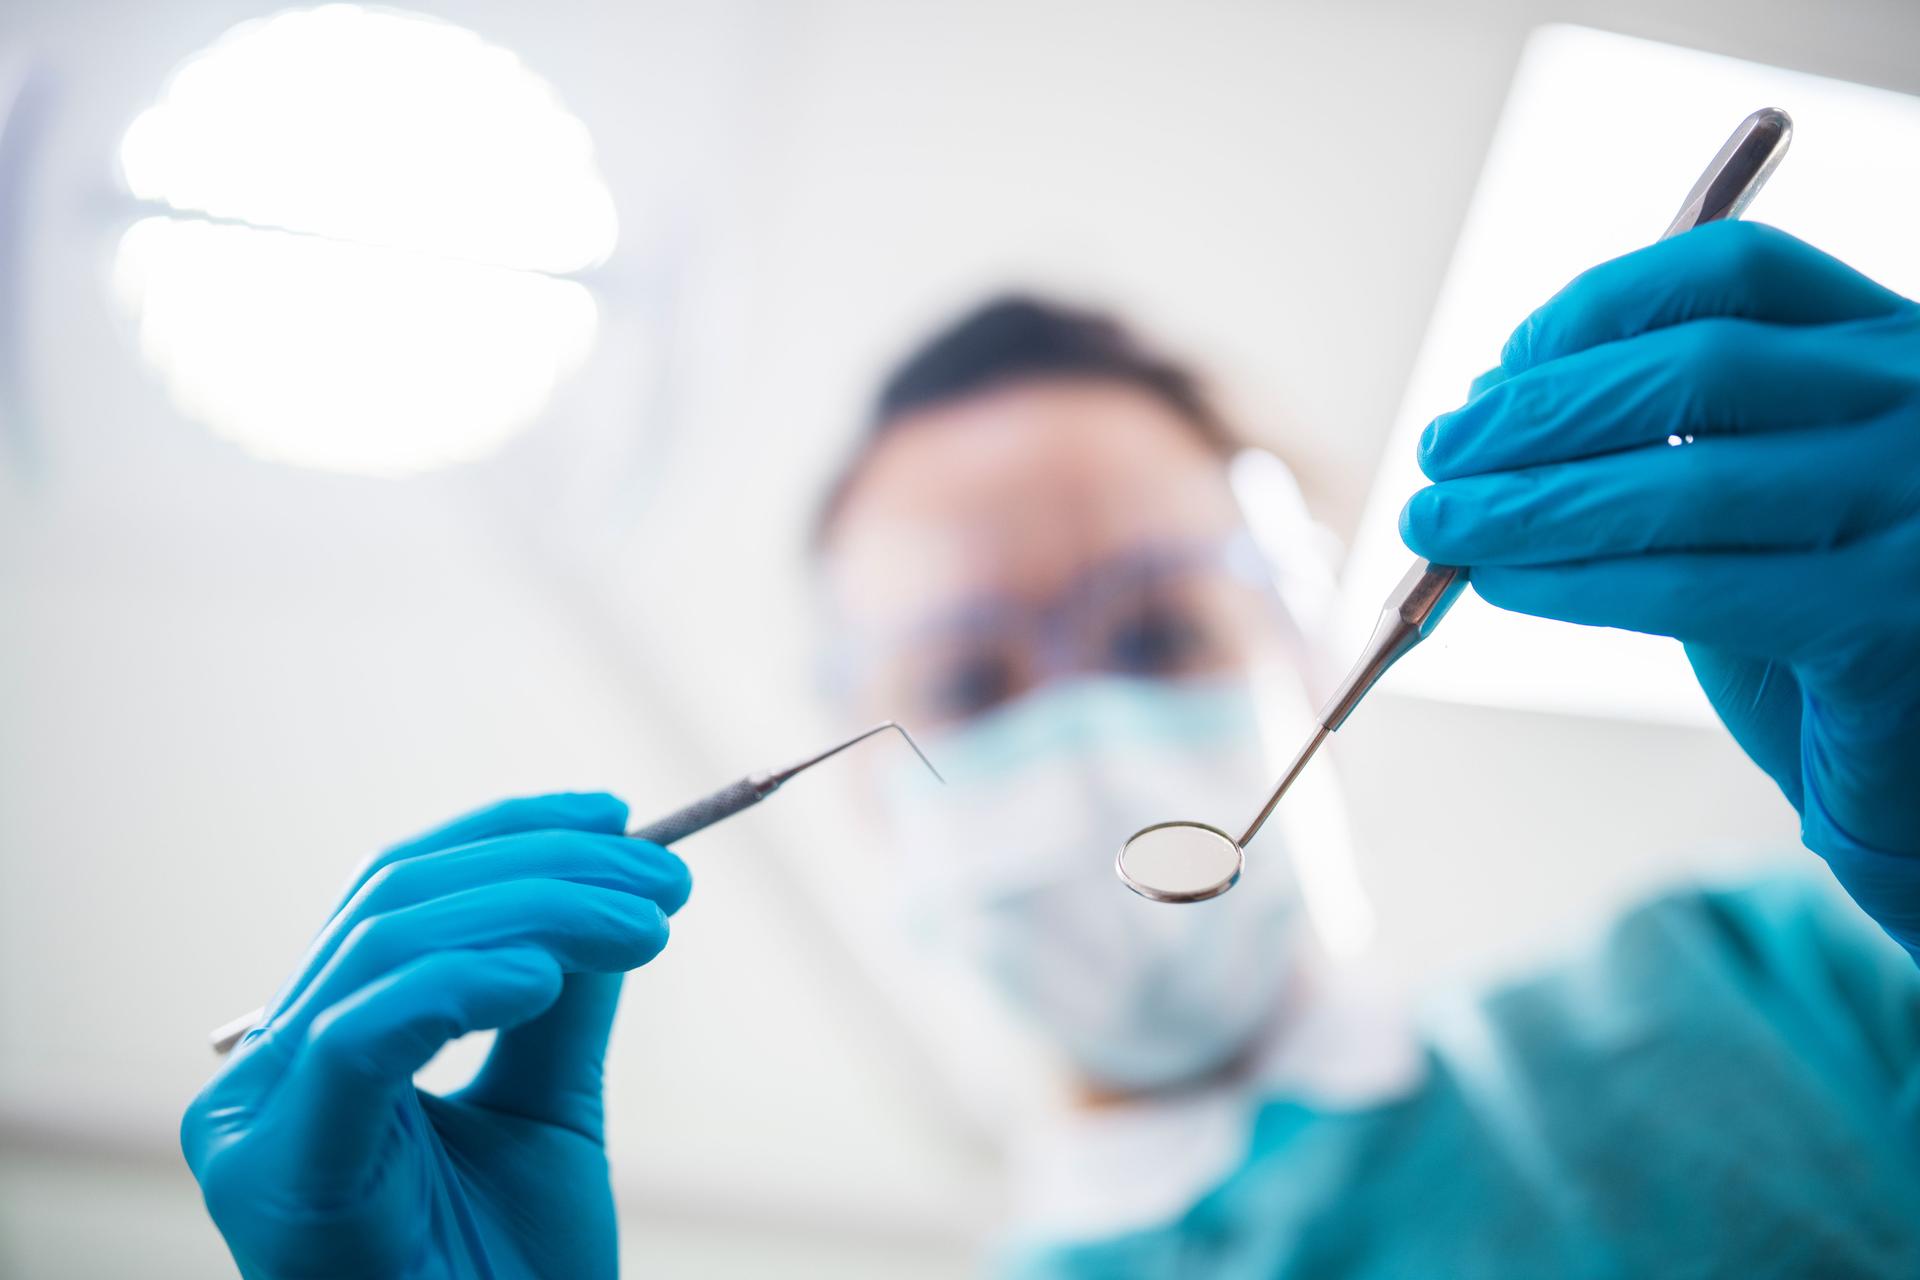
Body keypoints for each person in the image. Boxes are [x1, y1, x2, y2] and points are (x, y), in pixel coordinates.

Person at [184, 221, 1920, 1278]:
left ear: (1317, 652)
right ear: (868, 775)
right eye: (973, 681)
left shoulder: (1784, 988)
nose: (1084, 732)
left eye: (1161, 634)